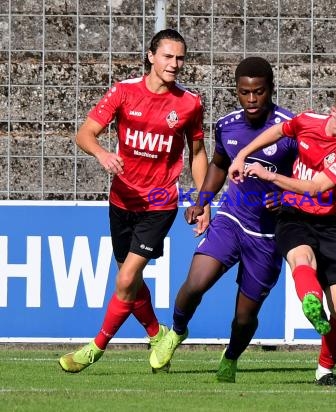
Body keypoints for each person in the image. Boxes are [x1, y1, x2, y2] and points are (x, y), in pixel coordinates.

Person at [59, 28, 209, 373]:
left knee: (126, 280)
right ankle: (158, 335)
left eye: (180, 58)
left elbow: (198, 153)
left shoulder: (189, 103)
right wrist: (101, 153)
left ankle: (96, 348)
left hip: (159, 202)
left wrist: (204, 203)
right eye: (168, 56)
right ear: (151, 56)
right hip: (122, 200)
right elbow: (85, 132)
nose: (174, 64)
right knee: (132, 279)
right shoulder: (124, 92)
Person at [149, 57, 296, 382]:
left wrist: (286, 198)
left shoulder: (291, 129)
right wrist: (202, 201)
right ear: (237, 92)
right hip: (232, 218)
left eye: (259, 92)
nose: (252, 99)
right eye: (245, 92)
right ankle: (175, 332)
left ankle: (231, 357)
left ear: (270, 90)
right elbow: (218, 164)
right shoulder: (227, 125)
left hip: (269, 238)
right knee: (195, 284)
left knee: (244, 318)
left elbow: (311, 178)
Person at [227, 83, 336, 386]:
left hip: (331, 226)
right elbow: (279, 131)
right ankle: (312, 303)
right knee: (301, 258)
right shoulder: (307, 121)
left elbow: (316, 188)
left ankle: (325, 369)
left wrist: (270, 176)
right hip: (293, 215)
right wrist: (242, 154)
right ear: (334, 112)